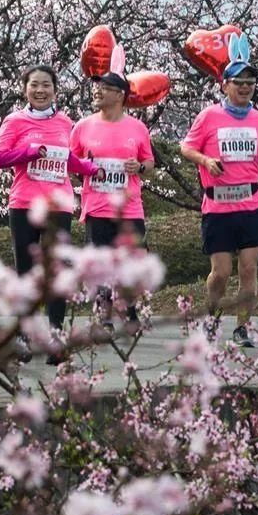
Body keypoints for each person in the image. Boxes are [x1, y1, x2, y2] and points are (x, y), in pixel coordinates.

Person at [0, 65, 102, 363]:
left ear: (55, 90)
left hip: (57, 206)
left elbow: (70, 160)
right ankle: (22, 339)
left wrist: (91, 168)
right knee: (26, 272)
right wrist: (27, 152)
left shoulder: (66, 123)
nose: (40, 91)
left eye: (46, 85)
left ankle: (55, 338)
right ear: (25, 89)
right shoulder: (14, 121)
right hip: (23, 204)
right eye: (34, 85)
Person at [180, 33, 258, 347]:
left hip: (251, 204)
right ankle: (211, 317)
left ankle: (242, 328)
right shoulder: (209, 116)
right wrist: (206, 161)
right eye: (239, 82)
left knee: (249, 269)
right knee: (221, 273)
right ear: (224, 85)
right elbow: (186, 148)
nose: (245, 88)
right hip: (218, 207)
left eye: (250, 83)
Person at [69, 45, 154, 327]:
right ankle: (103, 316)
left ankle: (130, 313)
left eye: (104, 88)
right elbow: (70, 163)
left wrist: (139, 168)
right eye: (96, 88)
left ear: (120, 94)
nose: (97, 92)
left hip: (130, 208)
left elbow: (149, 165)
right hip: (97, 207)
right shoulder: (82, 127)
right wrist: (86, 167)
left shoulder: (138, 128)